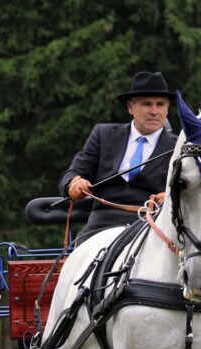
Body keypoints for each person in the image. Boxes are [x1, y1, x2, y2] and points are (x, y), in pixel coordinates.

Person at [58, 71, 179, 243]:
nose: (154, 111)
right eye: (147, 104)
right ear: (130, 107)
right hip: (101, 224)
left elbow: (189, 191)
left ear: (167, 109)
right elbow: (71, 174)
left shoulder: (179, 148)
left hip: (152, 225)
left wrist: (170, 197)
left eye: (160, 104)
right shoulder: (103, 135)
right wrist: (74, 183)